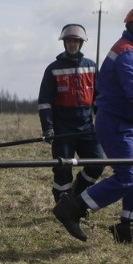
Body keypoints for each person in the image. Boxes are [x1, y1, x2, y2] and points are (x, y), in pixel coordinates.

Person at [53, 4, 133, 243]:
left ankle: (128, 229)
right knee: (127, 177)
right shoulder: (126, 52)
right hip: (116, 126)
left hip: (132, 126)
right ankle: (73, 208)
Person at [38, 23, 105, 203]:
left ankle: (77, 192)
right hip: (62, 129)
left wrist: (103, 122)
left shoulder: (91, 67)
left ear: (81, 43)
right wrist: (48, 128)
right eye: (69, 41)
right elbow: (44, 102)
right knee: (62, 169)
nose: (72, 44)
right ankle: (63, 204)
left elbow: (99, 99)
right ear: (64, 43)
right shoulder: (52, 69)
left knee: (97, 163)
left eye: (76, 41)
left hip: (86, 127)